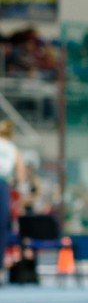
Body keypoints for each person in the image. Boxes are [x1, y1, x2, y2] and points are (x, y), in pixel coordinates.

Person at [0, 119, 28, 286]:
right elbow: (21, 176)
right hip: (3, 186)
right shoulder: (13, 149)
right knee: (1, 229)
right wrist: (21, 198)